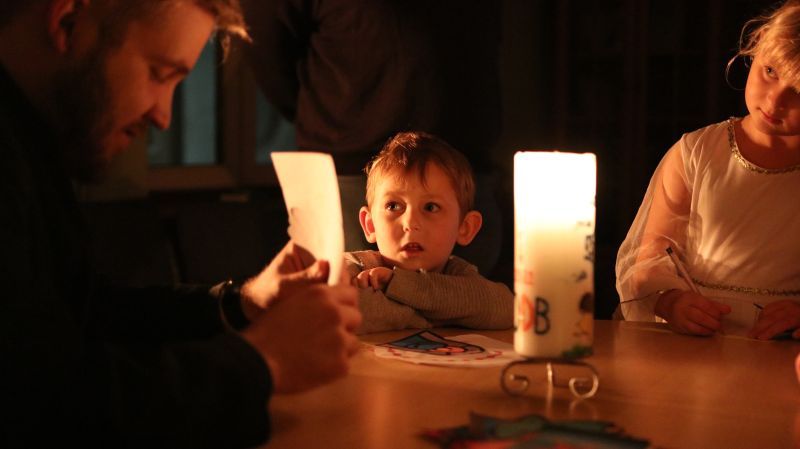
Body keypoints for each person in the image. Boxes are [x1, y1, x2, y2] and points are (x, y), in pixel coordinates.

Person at [0, 1, 361, 447]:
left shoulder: (33, 145)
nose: (164, 117)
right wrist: (264, 362)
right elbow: (37, 404)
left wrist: (243, 304)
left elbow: (89, 314)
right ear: (68, 22)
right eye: (159, 74)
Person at [239, 0, 506, 276]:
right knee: (348, 290)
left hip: (466, 164)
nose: (411, 222)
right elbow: (263, 36)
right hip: (348, 167)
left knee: (467, 294)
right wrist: (329, 115)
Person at [616, 0, 800, 340]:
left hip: (781, 351)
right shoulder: (697, 153)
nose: (775, 101)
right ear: (758, 43)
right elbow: (651, 255)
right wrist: (672, 302)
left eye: (798, 90)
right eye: (770, 72)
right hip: (697, 344)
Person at [345, 131, 513, 334]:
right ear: (370, 225)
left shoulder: (455, 272)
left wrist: (397, 284)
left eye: (431, 207)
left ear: (465, 227)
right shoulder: (354, 268)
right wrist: (443, 314)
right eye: (393, 206)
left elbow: (505, 307)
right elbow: (349, 312)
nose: (410, 223)